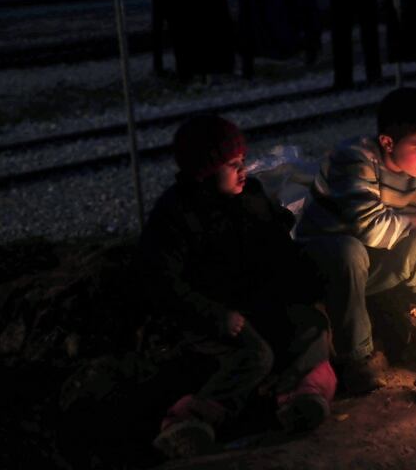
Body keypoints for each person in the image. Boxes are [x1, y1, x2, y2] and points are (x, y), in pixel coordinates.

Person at [137, 114, 336, 459]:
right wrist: (215, 315)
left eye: (242, 161)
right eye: (232, 164)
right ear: (204, 170)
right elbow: (162, 280)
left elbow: (279, 250)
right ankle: (190, 420)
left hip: (256, 303)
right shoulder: (176, 214)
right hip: (212, 313)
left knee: (313, 328)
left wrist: (306, 286)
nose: (243, 170)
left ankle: (299, 399)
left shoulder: (251, 197)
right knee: (256, 355)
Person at [296, 87, 416, 394]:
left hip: (371, 264)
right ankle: (356, 357)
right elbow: (370, 229)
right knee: (349, 250)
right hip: (321, 265)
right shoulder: (353, 161)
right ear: (387, 142)